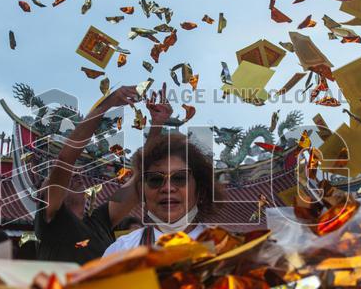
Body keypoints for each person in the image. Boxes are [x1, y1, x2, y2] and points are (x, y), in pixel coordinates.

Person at [35, 85, 172, 262]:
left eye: (74, 174)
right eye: (63, 178)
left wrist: (157, 124)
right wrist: (108, 102)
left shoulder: (100, 221)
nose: (74, 175)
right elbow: (65, 159)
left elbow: (140, 180)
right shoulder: (51, 221)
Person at [102, 133, 223, 255]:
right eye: (155, 179)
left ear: (201, 190)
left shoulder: (226, 250)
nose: (167, 188)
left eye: (179, 178)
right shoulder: (121, 250)